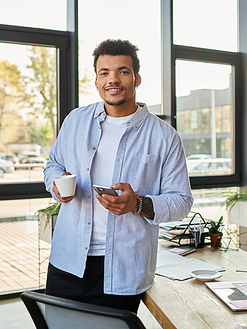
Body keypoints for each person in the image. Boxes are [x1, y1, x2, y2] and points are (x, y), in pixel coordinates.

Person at [43, 39, 193, 314]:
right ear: (96, 80)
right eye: (104, 73)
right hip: (68, 260)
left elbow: (182, 201)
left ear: (136, 78)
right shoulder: (75, 121)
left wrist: (137, 203)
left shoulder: (165, 137)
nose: (113, 79)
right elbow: (53, 164)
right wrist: (56, 184)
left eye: (122, 71)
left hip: (124, 268)